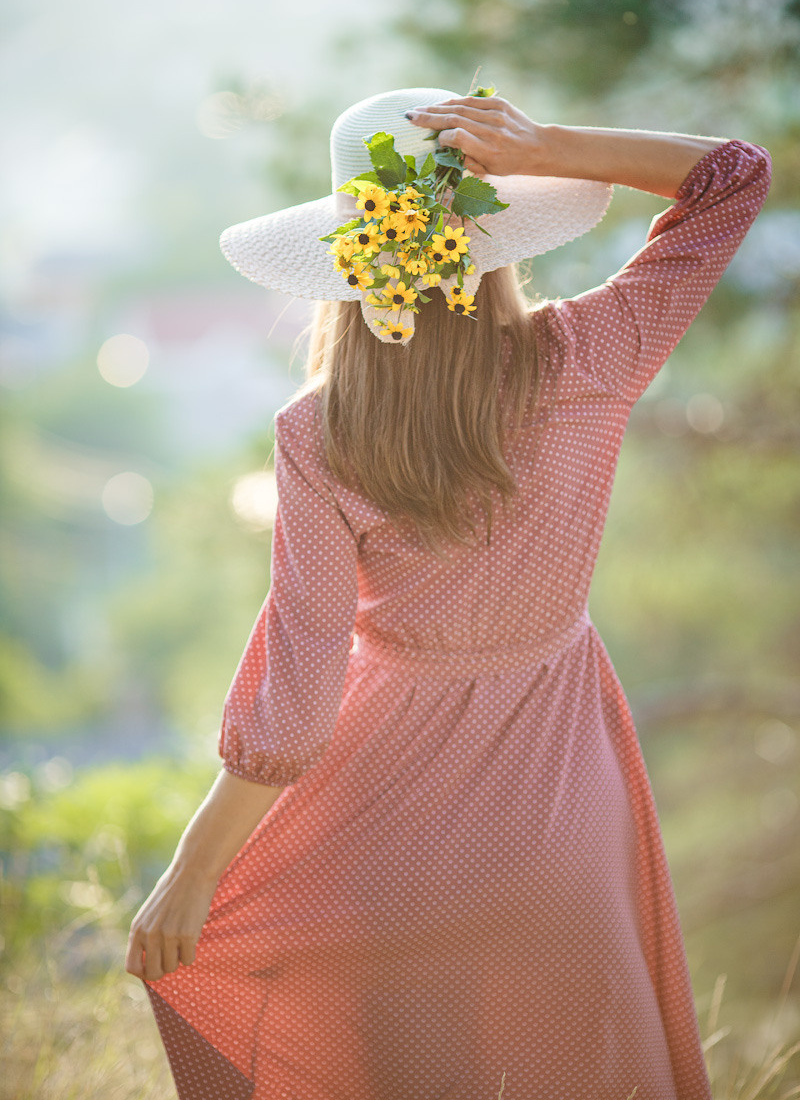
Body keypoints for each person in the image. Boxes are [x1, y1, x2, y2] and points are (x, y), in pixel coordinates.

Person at [125, 87, 771, 1100]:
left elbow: (293, 703)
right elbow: (731, 178)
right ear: (496, 240)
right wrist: (551, 145)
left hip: (382, 838)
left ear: (351, 251)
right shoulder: (587, 358)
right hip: (559, 821)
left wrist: (194, 872)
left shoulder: (317, 431)